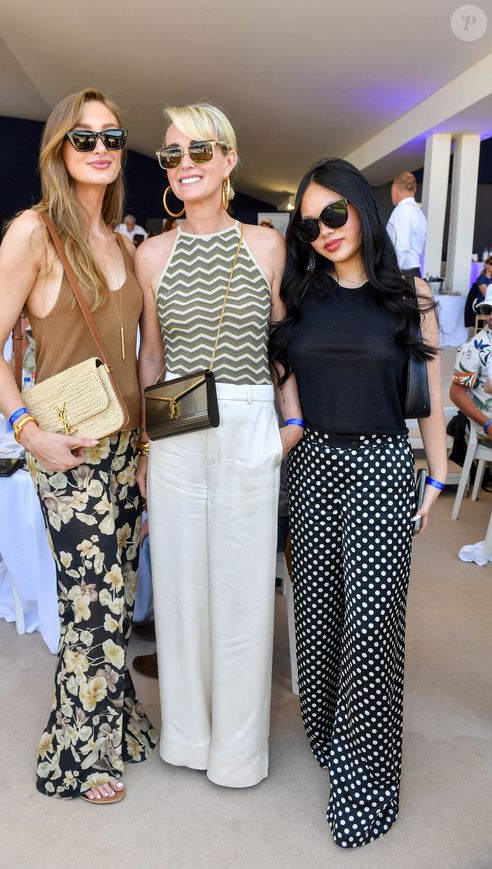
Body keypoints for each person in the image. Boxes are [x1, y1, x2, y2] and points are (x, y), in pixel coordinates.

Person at [0, 87, 158, 804]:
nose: (103, 149)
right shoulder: (34, 232)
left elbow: (142, 357)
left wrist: (147, 446)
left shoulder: (123, 243)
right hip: (67, 449)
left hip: (125, 448)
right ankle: (78, 756)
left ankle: (115, 723)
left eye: (113, 136)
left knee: (119, 596)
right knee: (88, 602)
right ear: (59, 150)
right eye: (85, 139)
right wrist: (28, 433)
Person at [269, 157, 448, 847]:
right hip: (312, 467)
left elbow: (426, 395)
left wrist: (434, 476)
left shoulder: (407, 288)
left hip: (378, 465)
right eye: (310, 224)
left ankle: (367, 778)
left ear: (362, 209)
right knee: (318, 618)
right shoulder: (300, 294)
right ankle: (327, 734)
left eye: (335, 215)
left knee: (372, 628)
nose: (324, 232)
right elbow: (285, 388)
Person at [136, 103, 302, 788]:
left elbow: (280, 347)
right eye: (173, 154)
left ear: (229, 160)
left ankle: (237, 751)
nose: (186, 164)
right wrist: (147, 445)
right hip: (176, 423)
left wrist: (289, 424)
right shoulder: (151, 253)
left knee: (240, 588)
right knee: (178, 587)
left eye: (199, 150)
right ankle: (187, 736)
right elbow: (152, 358)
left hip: (247, 417)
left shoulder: (266, 246)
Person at [451, 285, 492, 437]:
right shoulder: (474, 347)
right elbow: (456, 393)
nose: (490, 316)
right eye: (487, 310)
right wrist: (487, 425)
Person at [386, 170, 427, 276]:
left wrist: (392, 273)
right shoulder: (418, 212)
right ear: (415, 190)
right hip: (414, 270)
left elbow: (400, 246)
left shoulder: (402, 210)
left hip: (403, 272)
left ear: (395, 189)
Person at [464, 256, 492, 329]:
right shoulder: (481, 278)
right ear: (486, 265)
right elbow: (487, 295)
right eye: (491, 263)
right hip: (484, 307)